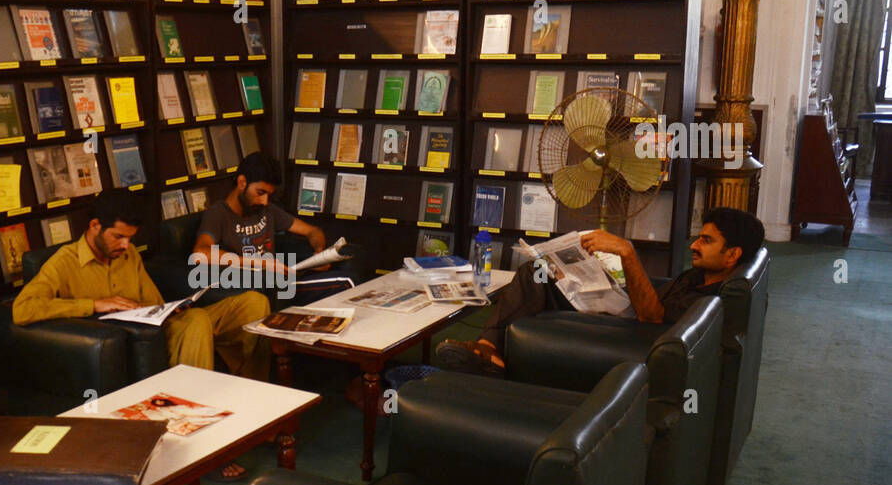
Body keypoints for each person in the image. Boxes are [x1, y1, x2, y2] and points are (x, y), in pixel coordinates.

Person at [13, 191, 270, 478]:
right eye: (119, 237)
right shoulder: (65, 262)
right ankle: (201, 447)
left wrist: (171, 308)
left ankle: (252, 416)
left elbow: (153, 300)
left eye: (130, 238)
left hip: (157, 326)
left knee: (253, 303)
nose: (126, 245)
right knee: (197, 321)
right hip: (130, 341)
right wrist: (93, 305)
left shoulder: (129, 254)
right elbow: (22, 309)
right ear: (95, 225)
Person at [436, 207, 765, 375]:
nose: (694, 245)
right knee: (535, 271)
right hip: (626, 308)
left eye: (707, 241)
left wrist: (627, 253)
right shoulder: (700, 276)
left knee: (534, 279)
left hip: (626, 334)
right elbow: (653, 301)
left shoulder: (709, 301)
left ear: (733, 254)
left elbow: (652, 317)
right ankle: (490, 348)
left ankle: (492, 355)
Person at [191, 152, 359, 304]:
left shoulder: (266, 210)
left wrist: (319, 252)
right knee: (347, 282)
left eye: (268, 195)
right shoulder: (218, 214)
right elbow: (200, 254)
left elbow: (312, 231)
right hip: (256, 287)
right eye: (260, 192)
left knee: (347, 278)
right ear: (242, 182)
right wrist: (263, 264)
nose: (264, 201)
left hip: (280, 281)